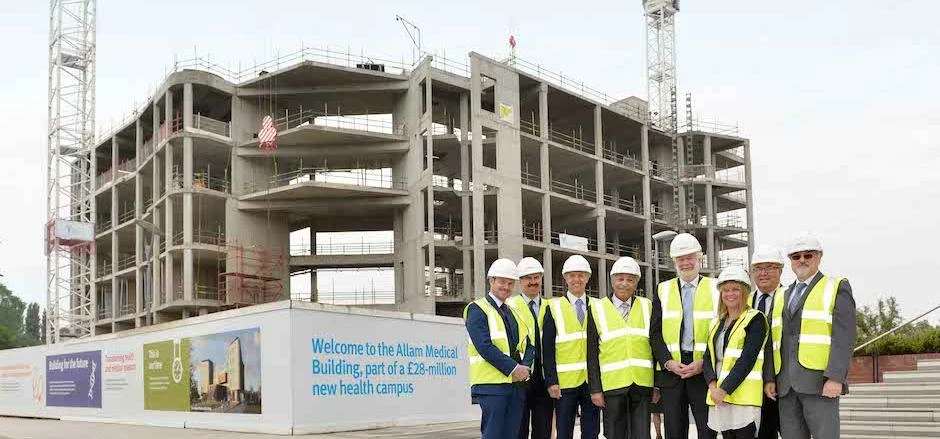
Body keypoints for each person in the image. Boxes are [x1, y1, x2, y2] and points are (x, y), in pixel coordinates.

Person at [768, 233, 856, 439]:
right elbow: (775, 340)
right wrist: (771, 377)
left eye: (808, 255)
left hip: (819, 384)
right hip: (786, 386)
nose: (802, 260)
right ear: (790, 261)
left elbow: (844, 338)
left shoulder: (836, 287)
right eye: (796, 256)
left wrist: (835, 378)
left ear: (819, 257)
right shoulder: (781, 294)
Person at [650, 233, 718, 439]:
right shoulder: (662, 289)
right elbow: (655, 334)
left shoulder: (716, 288)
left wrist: (703, 362)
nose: (686, 262)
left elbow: (721, 332)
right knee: (674, 431)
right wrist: (668, 362)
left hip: (703, 371)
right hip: (672, 373)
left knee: (707, 430)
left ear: (699, 258)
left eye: (690, 257)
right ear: (674, 262)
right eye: (681, 259)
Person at [465, 258, 536, 439]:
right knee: (494, 434)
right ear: (491, 281)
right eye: (502, 282)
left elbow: (528, 344)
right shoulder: (477, 309)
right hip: (491, 386)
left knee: (512, 435)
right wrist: (513, 368)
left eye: (510, 283)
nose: (506, 287)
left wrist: (524, 369)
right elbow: (484, 346)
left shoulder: (514, 312)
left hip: (516, 386)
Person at [586, 257, 656, 439]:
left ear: (636, 283)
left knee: (642, 435)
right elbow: (591, 353)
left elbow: (655, 347)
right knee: (615, 434)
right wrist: (595, 389)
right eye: (620, 279)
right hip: (612, 386)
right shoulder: (597, 308)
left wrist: (657, 385)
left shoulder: (648, 306)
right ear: (612, 280)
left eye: (630, 279)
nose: (624, 284)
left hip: (642, 385)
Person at [703, 266, 769, 438]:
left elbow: (748, 358)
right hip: (719, 396)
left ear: (745, 292)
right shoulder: (716, 322)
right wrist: (712, 386)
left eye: (735, 290)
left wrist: (724, 389)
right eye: (725, 290)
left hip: (743, 397)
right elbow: (708, 356)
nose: (730, 294)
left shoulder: (755, 319)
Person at [542, 255, 600, 439]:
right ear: (565, 278)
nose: (577, 280)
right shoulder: (554, 307)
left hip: (592, 381)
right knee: (564, 431)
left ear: (588, 278)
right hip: (564, 384)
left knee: (591, 431)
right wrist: (551, 380)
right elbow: (548, 349)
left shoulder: (598, 306)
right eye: (572, 275)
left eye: (581, 275)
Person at [507, 257, 553, 439]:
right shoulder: (510, 306)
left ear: (541, 278)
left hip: (544, 378)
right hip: (520, 377)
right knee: (519, 429)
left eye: (536, 277)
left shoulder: (551, 306)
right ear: (520, 281)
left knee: (544, 430)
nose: (533, 282)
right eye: (528, 278)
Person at [749, 246, 787, 439]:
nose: (763, 273)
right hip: (752, 382)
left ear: (781, 270)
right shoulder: (745, 302)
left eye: (769, 267)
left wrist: (771, 377)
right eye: (758, 268)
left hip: (783, 382)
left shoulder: (790, 298)